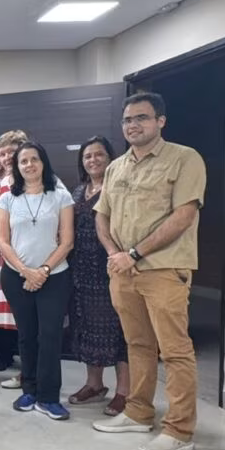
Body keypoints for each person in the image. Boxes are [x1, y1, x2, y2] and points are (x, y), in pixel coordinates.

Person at [93, 92, 207, 450]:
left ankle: (179, 429)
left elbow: (183, 215)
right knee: (138, 344)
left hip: (164, 268)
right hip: (122, 270)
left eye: (141, 118)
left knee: (174, 350)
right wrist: (115, 254)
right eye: (127, 120)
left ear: (160, 120)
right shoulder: (117, 167)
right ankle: (138, 412)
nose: (133, 125)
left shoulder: (184, 159)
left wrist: (134, 253)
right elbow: (102, 215)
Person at [0, 142, 75, 421]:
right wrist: (26, 271)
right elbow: (2, 242)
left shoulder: (61, 197)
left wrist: (41, 270)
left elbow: (67, 242)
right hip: (16, 277)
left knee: (50, 336)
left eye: (34, 159)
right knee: (27, 335)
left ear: (44, 163)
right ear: (16, 168)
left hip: (54, 276)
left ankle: (49, 397)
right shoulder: (7, 199)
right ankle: (29, 390)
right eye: (23, 161)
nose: (29, 165)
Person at [68, 136, 129, 416]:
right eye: (87, 156)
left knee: (117, 331)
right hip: (82, 270)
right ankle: (94, 384)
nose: (93, 160)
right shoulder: (79, 190)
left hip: (110, 268)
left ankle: (123, 392)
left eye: (98, 155)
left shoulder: (119, 187)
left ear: (110, 157)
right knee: (88, 328)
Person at [0, 129, 29, 383]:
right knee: (22, 320)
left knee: (30, 321)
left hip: (32, 257)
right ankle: (27, 372)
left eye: (11, 152)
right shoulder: (6, 181)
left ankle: (30, 373)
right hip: (9, 256)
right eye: (2, 153)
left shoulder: (38, 179)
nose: (7, 157)